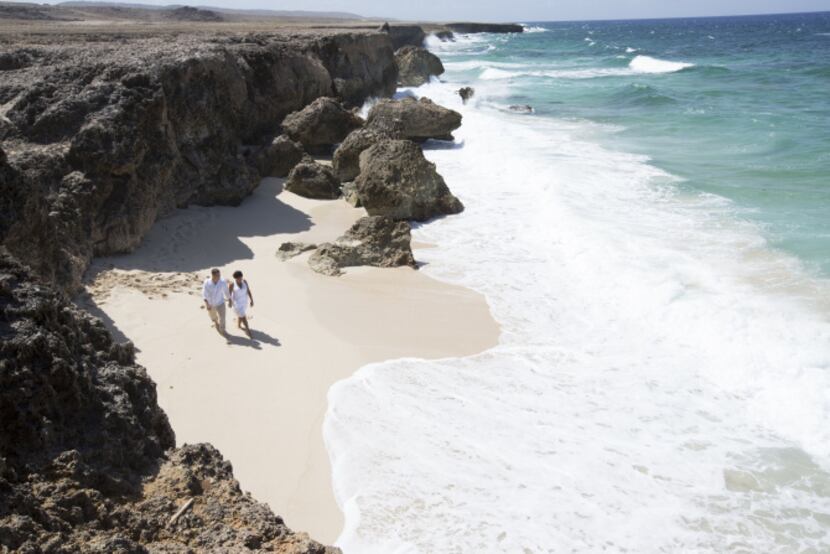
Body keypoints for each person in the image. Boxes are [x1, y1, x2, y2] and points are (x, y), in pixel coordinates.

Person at [202, 268, 229, 334]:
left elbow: (226, 291)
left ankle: (222, 330)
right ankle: (216, 322)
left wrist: (229, 299)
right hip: (210, 303)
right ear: (213, 275)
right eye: (217, 276)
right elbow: (204, 293)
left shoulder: (222, 281)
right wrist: (207, 304)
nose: (219, 277)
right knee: (213, 316)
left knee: (222, 317)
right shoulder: (207, 282)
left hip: (220, 302)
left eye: (219, 275)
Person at [229, 270, 255, 337]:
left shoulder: (244, 281)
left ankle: (239, 325)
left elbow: (248, 290)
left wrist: (251, 300)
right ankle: (247, 330)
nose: (240, 279)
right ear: (235, 278)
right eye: (238, 278)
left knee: (241, 315)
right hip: (237, 303)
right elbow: (229, 295)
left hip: (244, 302)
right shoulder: (232, 284)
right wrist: (230, 302)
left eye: (241, 277)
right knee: (243, 316)